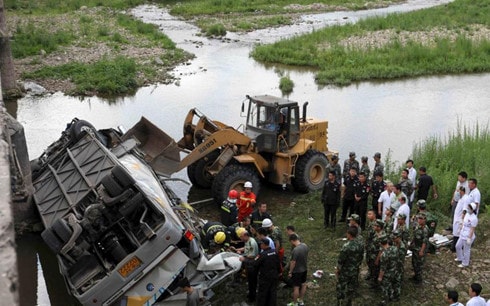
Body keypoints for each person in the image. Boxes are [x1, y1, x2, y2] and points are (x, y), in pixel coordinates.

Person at [336, 226, 364, 306]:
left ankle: (340, 302)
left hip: (345, 270)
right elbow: (361, 256)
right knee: (351, 287)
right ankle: (349, 302)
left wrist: (338, 269)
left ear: (349, 234)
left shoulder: (346, 246)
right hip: (355, 269)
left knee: (341, 286)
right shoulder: (360, 245)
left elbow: (341, 260)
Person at [254, 238, 281, 306]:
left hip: (265, 277)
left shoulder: (262, 254)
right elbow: (278, 263)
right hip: (274, 275)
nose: (260, 245)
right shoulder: (275, 252)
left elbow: (255, 264)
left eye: (261, 244)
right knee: (273, 292)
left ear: (264, 244)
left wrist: (245, 260)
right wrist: (279, 272)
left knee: (263, 293)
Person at [237, 230, 259, 303]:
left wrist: (244, 258)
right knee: (250, 281)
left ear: (246, 236)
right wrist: (238, 250)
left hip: (252, 265)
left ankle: (252, 297)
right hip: (249, 263)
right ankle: (252, 293)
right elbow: (246, 248)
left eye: (241, 237)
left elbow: (252, 255)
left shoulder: (252, 243)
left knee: (252, 281)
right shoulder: (248, 241)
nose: (241, 239)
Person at [288, 234, 309, 306]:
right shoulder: (305, 246)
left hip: (297, 271)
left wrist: (290, 272)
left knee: (296, 287)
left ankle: (294, 303)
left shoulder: (295, 250)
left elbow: (293, 262)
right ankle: (301, 300)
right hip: (304, 269)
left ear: (292, 241)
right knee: (303, 284)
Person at [455, 202, 478, 268]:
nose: (467, 209)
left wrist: (469, 238)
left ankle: (465, 263)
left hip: (468, 235)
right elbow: (464, 223)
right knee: (458, 246)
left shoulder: (474, 218)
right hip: (463, 233)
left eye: (469, 208)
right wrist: (460, 228)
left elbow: (472, 229)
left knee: (466, 250)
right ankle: (460, 258)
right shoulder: (467, 214)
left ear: (472, 209)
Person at [377, 234, 397, 305]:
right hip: (394, 270)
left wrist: (380, 277)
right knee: (390, 284)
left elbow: (383, 268)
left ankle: (385, 300)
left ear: (380, 243)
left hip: (387, 273)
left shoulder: (384, 254)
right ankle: (391, 296)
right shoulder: (394, 248)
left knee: (385, 287)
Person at [410, 213, 428, 284]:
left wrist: (421, 251)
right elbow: (415, 236)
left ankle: (418, 279)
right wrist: (412, 243)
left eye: (421, 219)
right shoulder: (417, 226)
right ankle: (415, 275)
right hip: (415, 247)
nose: (419, 220)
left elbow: (424, 242)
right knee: (414, 262)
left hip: (420, 248)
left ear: (424, 220)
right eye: (419, 219)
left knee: (419, 264)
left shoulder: (425, 229)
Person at [452, 187, 470, 252]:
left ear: (462, 191)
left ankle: (456, 248)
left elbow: (464, 209)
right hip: (457, 219)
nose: (457, 192)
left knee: (458, 233)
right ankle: (454, 247)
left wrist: (462, 220)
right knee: (455, 233)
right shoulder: (461, 198)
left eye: (458, 191)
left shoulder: (466, 198)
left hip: (460, 219)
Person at [391, 230, 406, 302]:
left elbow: (400, 260)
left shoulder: (402, 247)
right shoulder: (395, 242)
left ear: (399, 237)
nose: (393, 239)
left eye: (394, 238)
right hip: (394, 265)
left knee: (397, 281)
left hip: (398, 266)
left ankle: (397, 296)